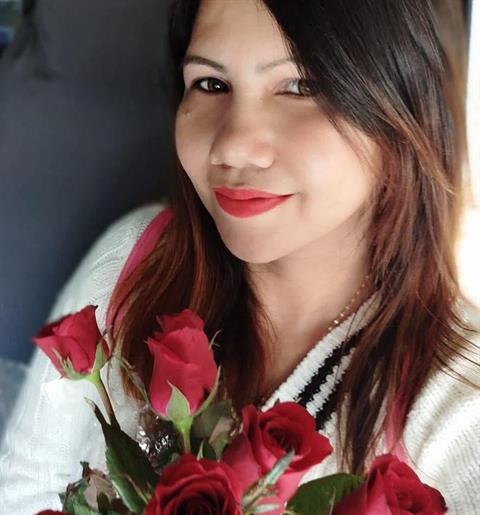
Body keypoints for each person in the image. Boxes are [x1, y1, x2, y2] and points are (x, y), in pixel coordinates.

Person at [1, 0, 479, 513]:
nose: (230, 147)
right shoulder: (133, 261)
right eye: (211, 84)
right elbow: (26, 486)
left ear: (400, 108)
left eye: (301, 87)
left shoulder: (459, 408)